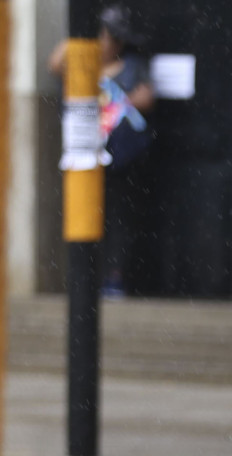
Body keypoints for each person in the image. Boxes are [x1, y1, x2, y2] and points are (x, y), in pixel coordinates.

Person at [48, 4, 155, 298]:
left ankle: (114, 278)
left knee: (118, 218)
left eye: (115, 39)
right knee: (86, 216)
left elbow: (147, 96)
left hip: (119, 156)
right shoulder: (83, 61)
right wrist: (81, 35)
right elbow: (55, 63)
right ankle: (85, 278)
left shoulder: (132, 65)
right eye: (108, 36)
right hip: (84, 154)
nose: (111, 44)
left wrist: (119, 102)